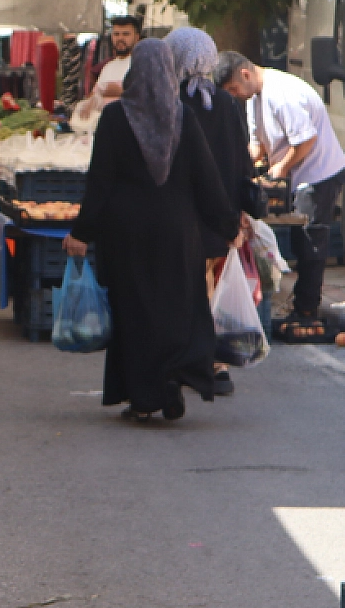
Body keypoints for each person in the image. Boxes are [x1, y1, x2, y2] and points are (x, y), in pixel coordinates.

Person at [62, 38, 239, 422]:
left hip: (126, 233)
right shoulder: (183, 117)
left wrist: (82, 232)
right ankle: (172, 378)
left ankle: (144, 396)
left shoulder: (115, 118)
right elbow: (207, 181)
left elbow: (100, 183)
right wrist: (227, 225)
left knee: (135, 310)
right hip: (178, 232)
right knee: (176, 305)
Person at [215, 51, 345, 342]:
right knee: (300, 241)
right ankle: (300, 305)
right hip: (296, 176)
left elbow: (306, 139)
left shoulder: (281, 93)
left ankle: (306, 309)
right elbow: (257, 145)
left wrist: (280, 169)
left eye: (234, 89)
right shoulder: (254, 98)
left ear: (245, 74)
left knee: (310, 242)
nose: (234, 96)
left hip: (319, 173)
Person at [169, 28, 260, 397]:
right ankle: (215, 365)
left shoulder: (171, 100)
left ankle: (183, 361)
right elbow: (240, 160)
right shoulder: (225, 104)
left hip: (179, 210)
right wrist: (238, 212)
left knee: (182, 286)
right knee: (209, 284)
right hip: (218, 211)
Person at [71, 16, 141, 134]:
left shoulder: (141, 64)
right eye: (116, 34)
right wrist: (90, 103)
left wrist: (121, 91)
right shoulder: (108, 67)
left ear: (137, 37)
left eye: (126, 34)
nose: (120, 38)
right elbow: (94, 94)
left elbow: (145, 97)